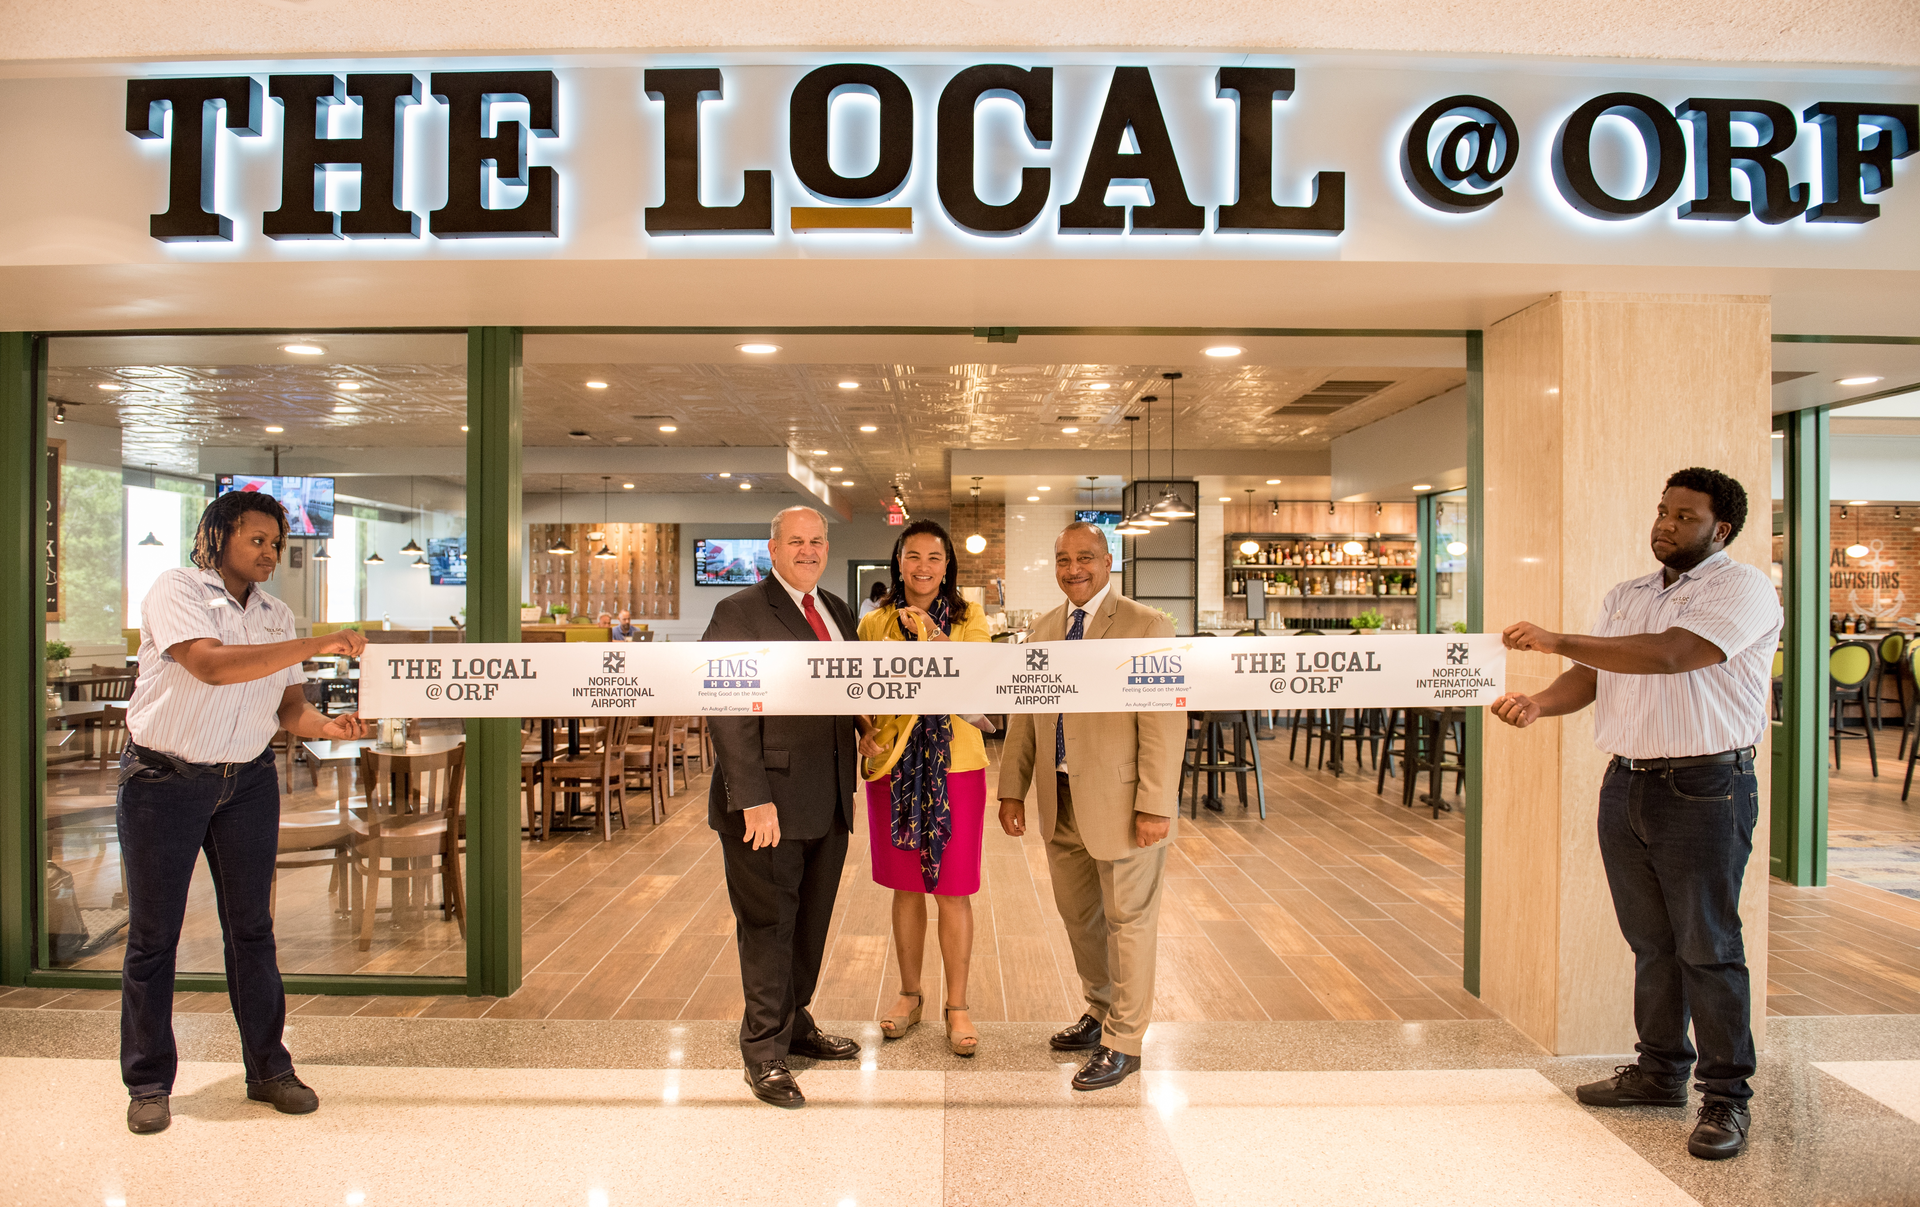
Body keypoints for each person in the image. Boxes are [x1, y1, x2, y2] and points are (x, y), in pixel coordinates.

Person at [1491, 467, 1780, 1161]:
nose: (1666, 524)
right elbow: (1594, 675)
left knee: (1708, 945)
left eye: (1684, 516)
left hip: (1707, 786)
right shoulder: (1627, 595)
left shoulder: (1742, 589)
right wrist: (1540, 701)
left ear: (1722, 529)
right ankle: (1658, 1073)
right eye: (1662, 511)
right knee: (1652, 943)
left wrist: (1557, 638)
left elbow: (1675, 654)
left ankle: (1726, 1099)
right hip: (1627, 784)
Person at [118, 491, 371, 1135]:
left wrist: (329, 727)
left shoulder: (275, 614)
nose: (268, 554)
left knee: (252, 931)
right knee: (154, 938)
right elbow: (209, 666)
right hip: (164, 781)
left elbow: (288, 711)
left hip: (248, 783)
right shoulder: (176, 589)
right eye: (256, 540)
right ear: (219, 534)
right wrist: (320, 642)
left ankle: (268, 1069)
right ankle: (148, 1082)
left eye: (276, 545)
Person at [996, 521, 1181, 1090]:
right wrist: (1011, 787)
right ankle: (1099, 1010)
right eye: (1062, 559)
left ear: (1107, 563)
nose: (1072, 569)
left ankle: (1124, 1042)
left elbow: (1163, 721)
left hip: (1124, 802)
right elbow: (1027, 716)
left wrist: (1154, 803)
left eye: (1084, 558)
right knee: (1080, 917)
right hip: (1060, 799)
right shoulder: (1045, 630)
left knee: (1128, 922)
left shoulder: (1147, 625)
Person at [703, 505, 865, 1108]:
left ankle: (794, 1023)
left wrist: (864, 729)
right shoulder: (739, 612)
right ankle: (764, 1052)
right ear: (772, 550)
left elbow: (843, 690)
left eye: (816, 542)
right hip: (766, 803)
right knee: (769, 925)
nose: (807, 551)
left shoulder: (837, 612)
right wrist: (752, 798)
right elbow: (725, 706)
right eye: (795, 542)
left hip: (828, 798)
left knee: (811, 920)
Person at [855, 520, 996, 1056]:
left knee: (954, 888)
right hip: (893, 766)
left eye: (934, 558)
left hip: (957, 766)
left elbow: (978, 676)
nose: (922, 567)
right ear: (897, 563)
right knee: (905, 885)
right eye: (912, 556)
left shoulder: (970, 618)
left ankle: (957, 1006)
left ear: (947, 566)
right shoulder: (875, 624)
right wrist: (865, 730)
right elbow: (860, 690)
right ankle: (909, 995)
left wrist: (930, 637)